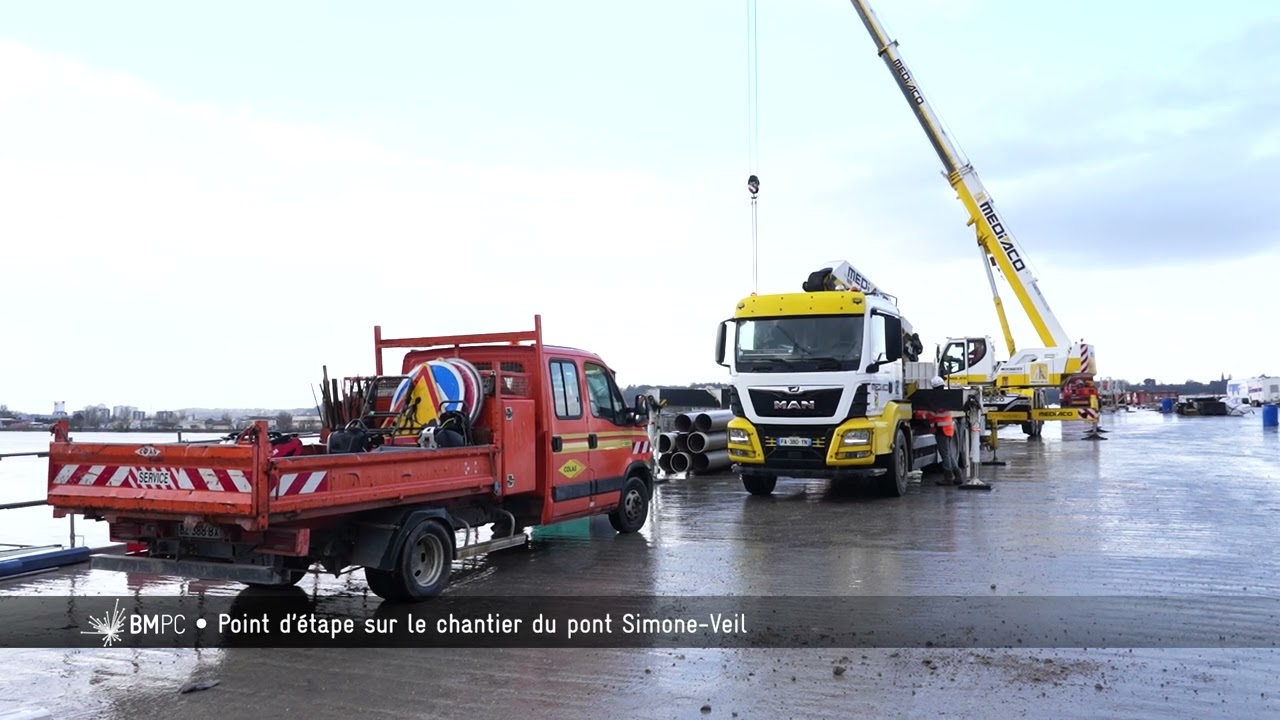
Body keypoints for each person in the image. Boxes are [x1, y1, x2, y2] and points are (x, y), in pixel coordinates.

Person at [915, 376, 961, 485]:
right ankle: (958, 476)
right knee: (948, 454)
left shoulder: (939, 400)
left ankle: (948, 478)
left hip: (942, 430)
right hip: (947, 429)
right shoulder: (945, 398)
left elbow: (933, 414)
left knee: (945, 454)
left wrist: (918, 414)